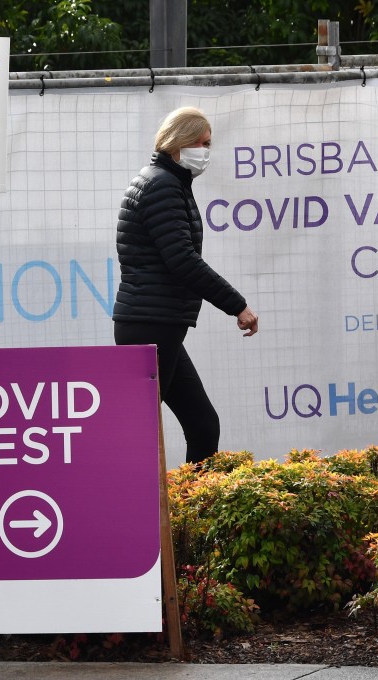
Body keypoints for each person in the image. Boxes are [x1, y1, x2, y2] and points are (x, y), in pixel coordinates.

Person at [113, 106, 259, 465]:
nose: (207, 151)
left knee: (202, 425)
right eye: (203, 143)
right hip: (150, 325)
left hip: (158, 323)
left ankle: (191, 510)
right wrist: (236, 305)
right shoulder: (162, 185)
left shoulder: (167, 181)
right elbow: (182, 261)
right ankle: (126, 513)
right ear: (181, 141)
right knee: (136, 435)